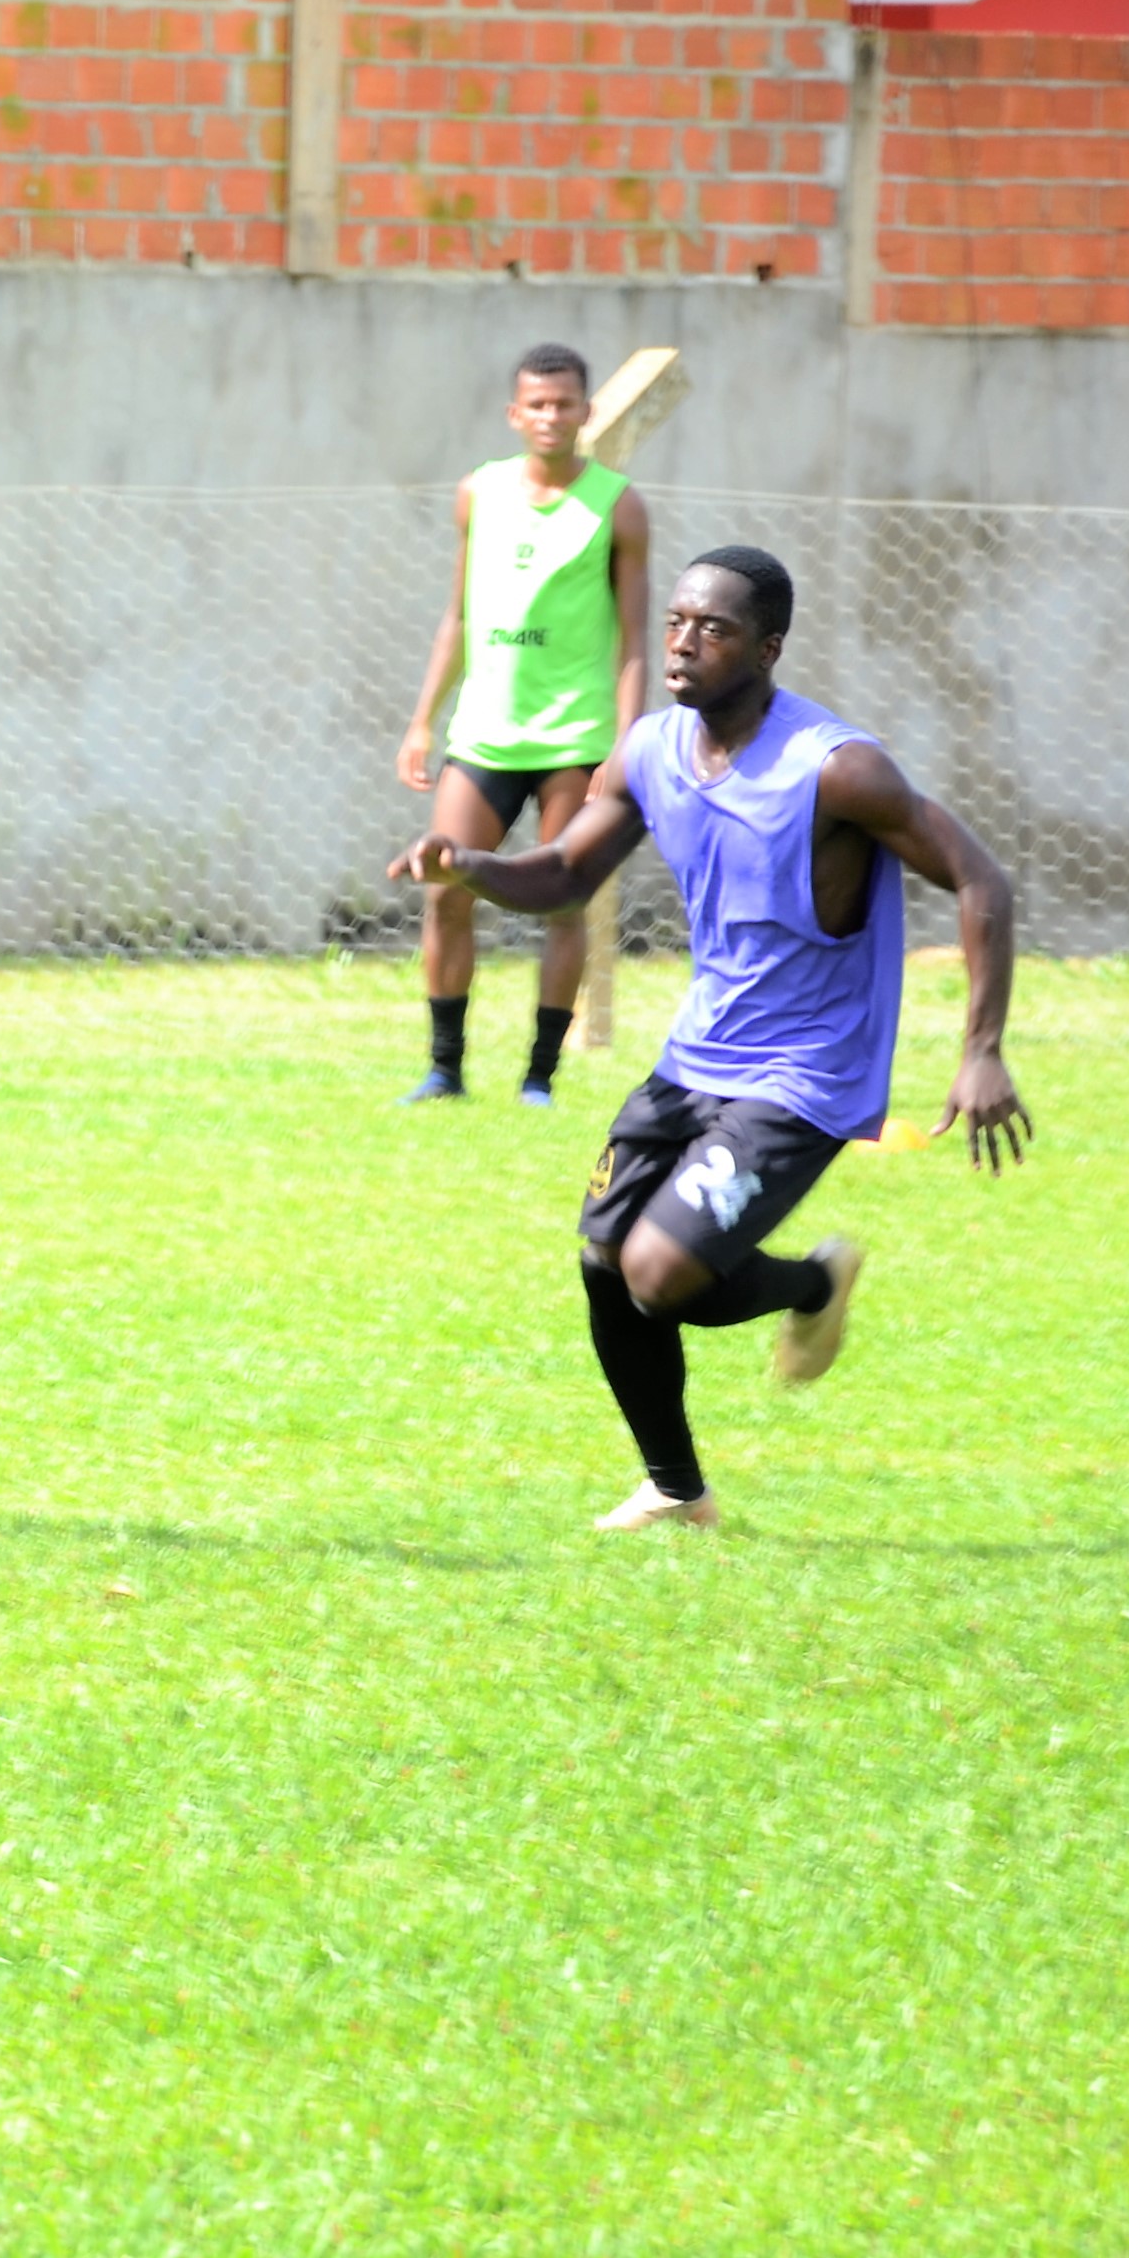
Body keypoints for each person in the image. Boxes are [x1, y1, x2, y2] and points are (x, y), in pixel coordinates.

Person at [394, 545, 1027, 1530]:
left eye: (715, 628)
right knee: (605, 1258)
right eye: (679, 621)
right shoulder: (649, 749)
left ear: (769, 647)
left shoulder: (837, 771)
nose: (685, 641)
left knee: (660, 1271)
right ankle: (678, 1493)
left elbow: (981, 879)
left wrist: (980, 1048)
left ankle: (815, 1279)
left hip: (803, 1073)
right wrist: (469, 864)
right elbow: (564, 872)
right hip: (696, 1056)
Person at [391, 342, 652, 1108]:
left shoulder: (618, 505)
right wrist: (420, 723)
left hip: (576, 740)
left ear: (586, 412)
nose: (550, 416)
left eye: (564, 403)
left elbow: (637, 640)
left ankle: (539, 1077)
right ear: (515, 413)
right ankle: (445, 1069)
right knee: (445, 890)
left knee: (561, 903)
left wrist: (626, 743)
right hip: (483, 736)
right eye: (536, 404)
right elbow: (459, 615)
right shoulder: (480, 492)